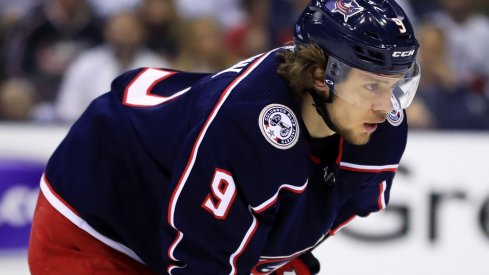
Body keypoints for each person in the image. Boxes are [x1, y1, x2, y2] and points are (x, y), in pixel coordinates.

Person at [28, 0, 420, 274]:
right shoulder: (244, 124)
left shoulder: (380, 124)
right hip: (97, 223)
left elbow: (314, 221)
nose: (387, 106)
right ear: (321, 78)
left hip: (181, 227)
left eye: (396, 85)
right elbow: (200, 259)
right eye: (372, 87)